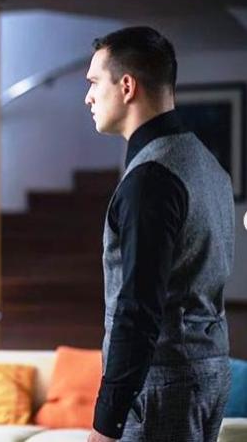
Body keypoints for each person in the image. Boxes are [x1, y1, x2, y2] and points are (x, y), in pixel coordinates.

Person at [84, 26, 234, 442]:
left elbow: (138, 308)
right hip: (208, 370)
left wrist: (107, 421)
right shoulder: (208, 165)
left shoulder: (150, 178)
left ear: (126, 86)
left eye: (94, 82)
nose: (88, 97)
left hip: (163, 384)